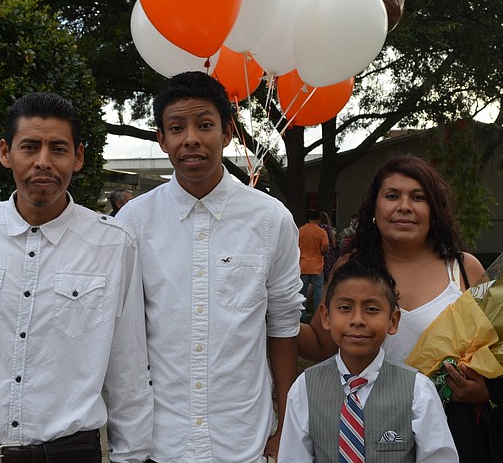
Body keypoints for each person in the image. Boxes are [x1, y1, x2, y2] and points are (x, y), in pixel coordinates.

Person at [0, 92, 152, 463]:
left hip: (71, 453)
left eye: (59, 149)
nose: (43, 162)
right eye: (30, 147)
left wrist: (131, 456)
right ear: (6, 153)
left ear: (78, 157)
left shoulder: (114, 245)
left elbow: (127, 368)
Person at [298, 155, 503, 462]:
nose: (404, 206)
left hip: (453, 429)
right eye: (392, 196)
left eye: (418, 197)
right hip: (370, 428)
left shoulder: (464, 269)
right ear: (374, 209)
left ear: (434, 210)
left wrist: (484, 392)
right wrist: (270, 309)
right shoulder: (351, 268)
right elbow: (320, 345)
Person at [115, 71, 304, 462]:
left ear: (228, 132)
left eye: (205, 125)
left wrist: (286, 424)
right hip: (162, 440)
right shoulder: (132, 222)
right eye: (176, 127)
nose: (191, 139)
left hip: (243, 439)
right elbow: (126, 335)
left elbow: (283, 325)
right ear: (161, 139)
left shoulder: (271, 219)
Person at [279, 258, 457, 462]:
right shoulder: (304, 389)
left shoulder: (418, 391)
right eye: (345, 308)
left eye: (372, 309)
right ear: (326, 317)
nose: (357, 320)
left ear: (393, 321)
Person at [299, 209, 330, 319]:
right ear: (319, 219)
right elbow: (325, 247)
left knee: (302, 293)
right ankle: (317, 315)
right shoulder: (321, 232)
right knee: (318, 292)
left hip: (303, 265)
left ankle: (302, 315)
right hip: (316, 265)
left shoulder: (300, 230)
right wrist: (322, 252)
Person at [319, 211, 338, 279]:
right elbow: (334, 244)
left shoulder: (316, 229)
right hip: (328, 254)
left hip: (319, 254)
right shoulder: (330, 230)